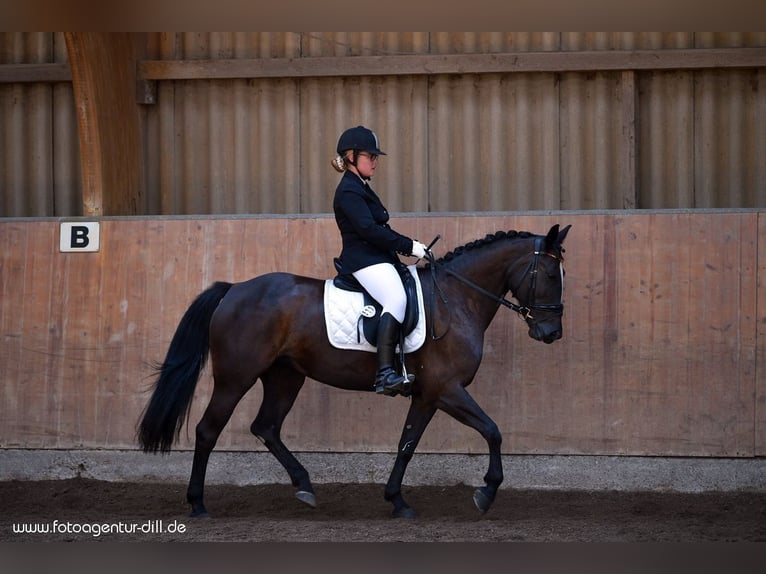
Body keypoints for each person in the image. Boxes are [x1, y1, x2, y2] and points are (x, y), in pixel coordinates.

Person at [331, 125, 429, 396]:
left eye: (376, 157)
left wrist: (411, 246)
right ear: (350, 156)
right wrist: (409, 246)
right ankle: (385, 373)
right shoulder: (349, 191)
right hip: (363, 260)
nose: (375, 162)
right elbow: (369, 231)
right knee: (396, 299)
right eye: (369, 156)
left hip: (377, 257)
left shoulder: (360, 186)